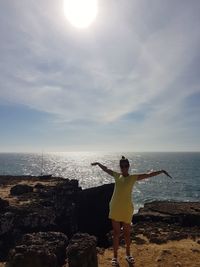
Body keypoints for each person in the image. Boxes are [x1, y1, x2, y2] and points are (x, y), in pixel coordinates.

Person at [91, 156, 172, 266]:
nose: (124, 168)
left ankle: (128, 254)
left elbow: (148, 175)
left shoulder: (133, 178)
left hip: (127, 209)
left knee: (127, 234)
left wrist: (161, 171)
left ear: (128, 166)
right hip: (115, 208)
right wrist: (98, 163)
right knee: (116, 233)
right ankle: (115, 257)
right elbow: (106, 169)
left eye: (126, 166)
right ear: (120, 167)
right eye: (122, 166)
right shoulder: (116, 175)